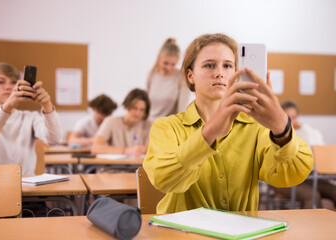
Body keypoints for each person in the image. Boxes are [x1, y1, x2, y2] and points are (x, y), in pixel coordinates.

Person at [143, 33, 314, 214]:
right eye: (209, 65)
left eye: (227, 66)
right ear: (190, 76)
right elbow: (163, 179)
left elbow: (290, 176)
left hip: (241, 233)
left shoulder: (256, 127)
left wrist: (281, 129)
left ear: (236, 73)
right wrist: (209, 133)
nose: (219, 73)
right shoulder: (166, 127)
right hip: (183, 234)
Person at [0, 62, 62, 175]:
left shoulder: (29, 117)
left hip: (25, 186)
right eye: (1, 82)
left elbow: (54, 140)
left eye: (13, 82)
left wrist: (47, 105)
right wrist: (8, 106)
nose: (8, 87)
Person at [272, 100, 336, 209]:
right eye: (289, 117)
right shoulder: (276, 133)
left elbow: (317, 148)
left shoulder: (303, 132)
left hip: (306, 178)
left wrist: (304, 129)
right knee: (312, 195)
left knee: (334, 191)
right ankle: (309, 224)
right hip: (282, 179)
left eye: (294, 117)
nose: (292, 121)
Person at [91, 88, 152, 156]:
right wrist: (126, 151)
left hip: (138, 165)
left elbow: (150, 150)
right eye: (135, 108)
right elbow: (95, 148)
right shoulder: (111, 122)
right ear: (127, 105)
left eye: (142, 110)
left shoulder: (148, 125)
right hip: (113, 166)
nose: (138, 113)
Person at [147, 38, 190, 122]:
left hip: (169, 127)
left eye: (173, 64)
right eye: (166, 63)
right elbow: (147, 105)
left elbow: (182, 111)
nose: (169, 67)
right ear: (159, 58)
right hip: (150, 126)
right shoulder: (152, 74)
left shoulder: (181, 77)